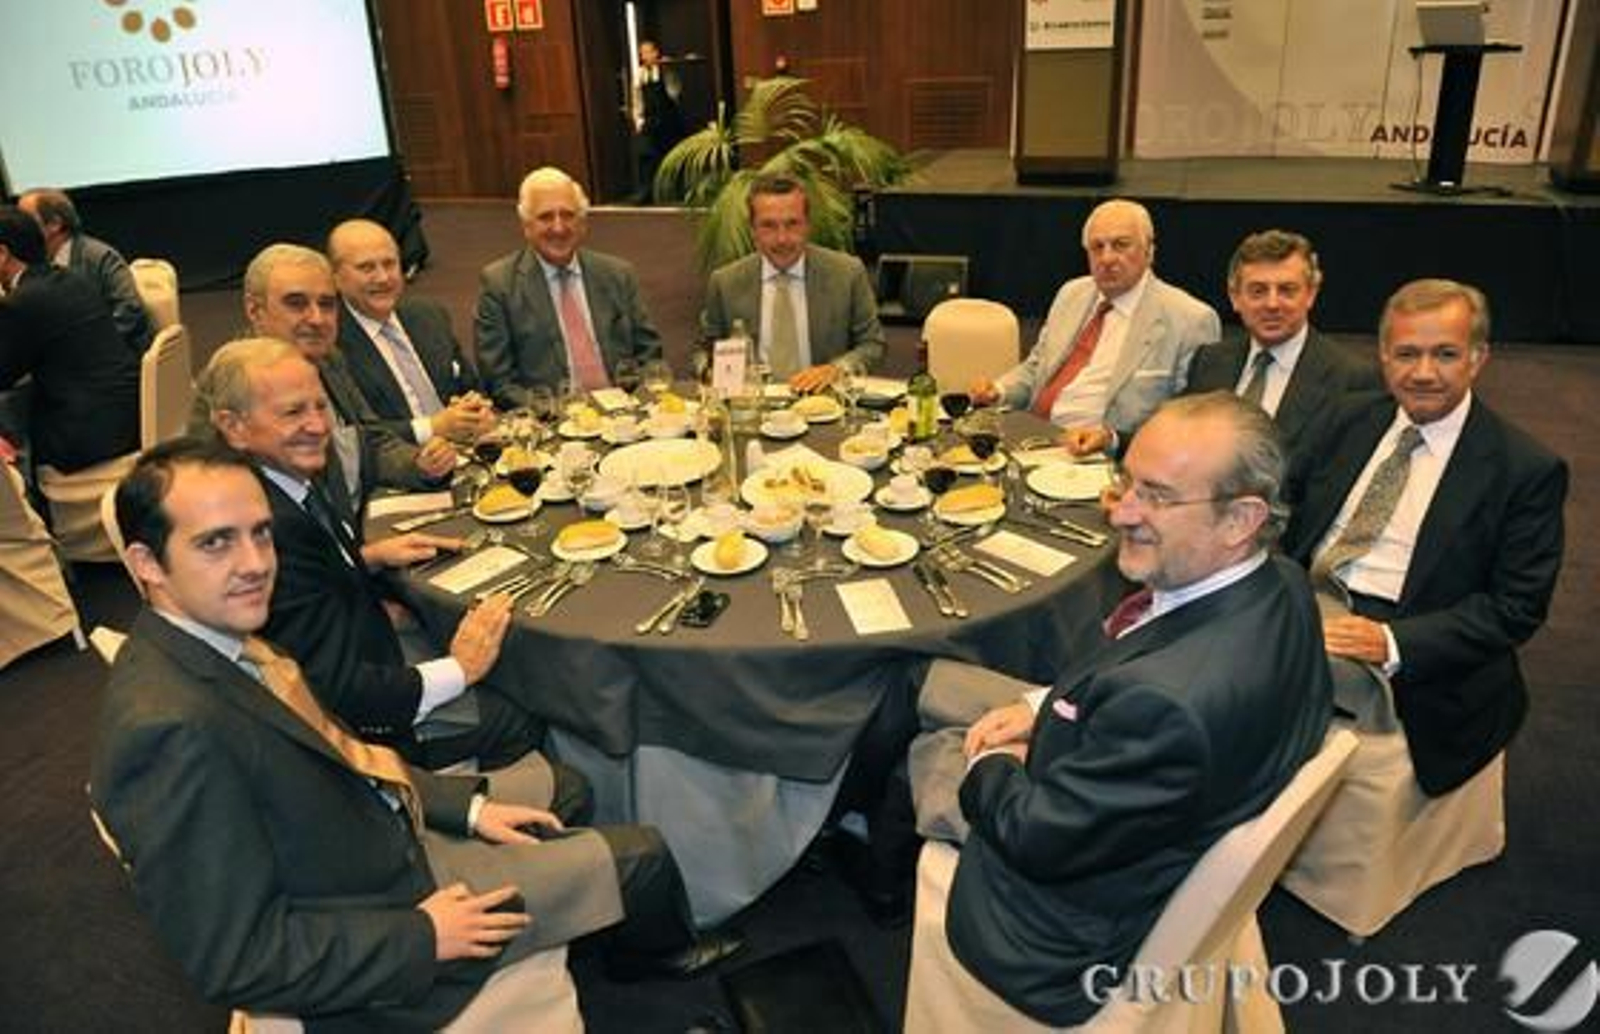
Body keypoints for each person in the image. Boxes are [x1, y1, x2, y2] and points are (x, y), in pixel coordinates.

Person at [89, 439, 741, 1026]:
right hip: (385, 926)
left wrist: (470, 807)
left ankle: (588, 925)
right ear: (146, 563)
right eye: (216, 542)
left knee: (566, 789)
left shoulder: (216, 643)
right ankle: (650, 960)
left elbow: (340, 760)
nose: (256, 562)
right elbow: (236, 961)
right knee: (643, 855)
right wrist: (423, 936)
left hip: (377, 838)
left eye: (261, 534)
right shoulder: (168, 730)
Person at [910, 392, 1331, 1026]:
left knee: (926, 744)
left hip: (1053, 929)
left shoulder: (1167, 707)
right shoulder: (1284, 583)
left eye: (1157, 495)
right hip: (1134, 790)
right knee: (933, 683)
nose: (1122, 512)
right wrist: (1040, 707)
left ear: (1240, 519)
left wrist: (996, 759)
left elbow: (1037, 836)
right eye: (1127, 481)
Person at [198, 338, 541, 773]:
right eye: (292, 412)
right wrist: (460, 669)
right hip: (359, 736)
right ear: (233, 427)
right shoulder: (262, 533)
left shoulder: (272, 479)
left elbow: (305, 589)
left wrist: (364, 559)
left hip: (368, 652)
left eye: (320, 407)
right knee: (519, 709)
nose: (318, 426)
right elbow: (337, 691)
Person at [1282, 278, 1567, 796]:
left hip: (1409, 630)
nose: (1423, 373)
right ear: (1384, 357)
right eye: (1407, 354)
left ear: (1478, 359)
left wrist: (1390, 641)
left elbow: (1516, 609)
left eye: (1446, 354)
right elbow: (1286, 504)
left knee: (1256, 680)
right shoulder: (1348, 417)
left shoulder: (1523, 469)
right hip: (1309, 596)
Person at [972, 199, 1218, 455]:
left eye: (1121, 245)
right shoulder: (1072, 294)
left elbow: (1189, 424)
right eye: (1097, 247)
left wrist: (1111, 439)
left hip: (1100, 456)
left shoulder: (1190, 320)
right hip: (1031, 437)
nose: (1107, 258)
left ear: (1149, 251)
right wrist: (999, 390)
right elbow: (1037, 367)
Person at [232, 242, 456, 507]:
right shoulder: (234, 387)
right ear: (255, 311)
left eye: (327, 304)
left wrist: (419, 464)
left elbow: (369, 438)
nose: (317, 319)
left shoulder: (329, 360)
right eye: (296, 304)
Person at [474, 167, 662, 408]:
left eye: (568, 215)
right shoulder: (499, 286)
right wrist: (556, 412)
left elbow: (649, 354)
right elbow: (499, 383)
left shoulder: (617, 274)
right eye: (545, 217)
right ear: (526, 226)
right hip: (554, 423)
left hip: (625, 415)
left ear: (583, 223)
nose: (559, 227)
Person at [1184, 229, 1378, 459]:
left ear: (1311, 294)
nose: (1272, 304)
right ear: (1235, 297)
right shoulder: (1208, 362)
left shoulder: (1352, 377)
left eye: (1287, 290)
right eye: (1258, 291)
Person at [700, 172, 886, 393]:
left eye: (792, 224)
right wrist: (709, 370)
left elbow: (873, 345)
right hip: (752, 405)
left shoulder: (847, 273)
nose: (782, 239)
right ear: (752, 231)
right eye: (769, 226)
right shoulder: (725, 282)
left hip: (822, 402)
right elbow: (704, 351)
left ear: (807, 225)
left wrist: (837, 369)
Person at [328, 218, 495, 447]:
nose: (383, 278)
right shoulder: (331, 345)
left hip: (465, 452)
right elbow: (355, 434)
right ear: (335, 277)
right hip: (401, 468)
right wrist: (432, 427)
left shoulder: (429, 315)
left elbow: (470, 385)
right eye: (366, 267)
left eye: (389, 264)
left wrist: (475, 406)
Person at [0, 205, 140, 473]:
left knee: (11, 415)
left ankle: (26, 507)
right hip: (129, 418)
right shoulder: (70, 279)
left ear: (2, 254)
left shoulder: (21, 303)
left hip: (88, 437)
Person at [17, 188, 153, 355]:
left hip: (116, 359)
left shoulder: (99, 256)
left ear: (54, 224)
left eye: (26, 220)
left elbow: (131, 309)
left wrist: (87, 343)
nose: (20, 227)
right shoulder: (36, 264)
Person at [632, 39, 686, 204]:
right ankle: (647, 193)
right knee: (646, 157)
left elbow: (675, 94)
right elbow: (637, 99)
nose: (646, 56)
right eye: (643, 53)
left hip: (668, 120)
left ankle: (673, 192)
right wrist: (638, 120)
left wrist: (666, 72)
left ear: (656, 53)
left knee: (670, 156)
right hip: (649, 120)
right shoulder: (639, 75)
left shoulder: (666, 71)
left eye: (649, 52)